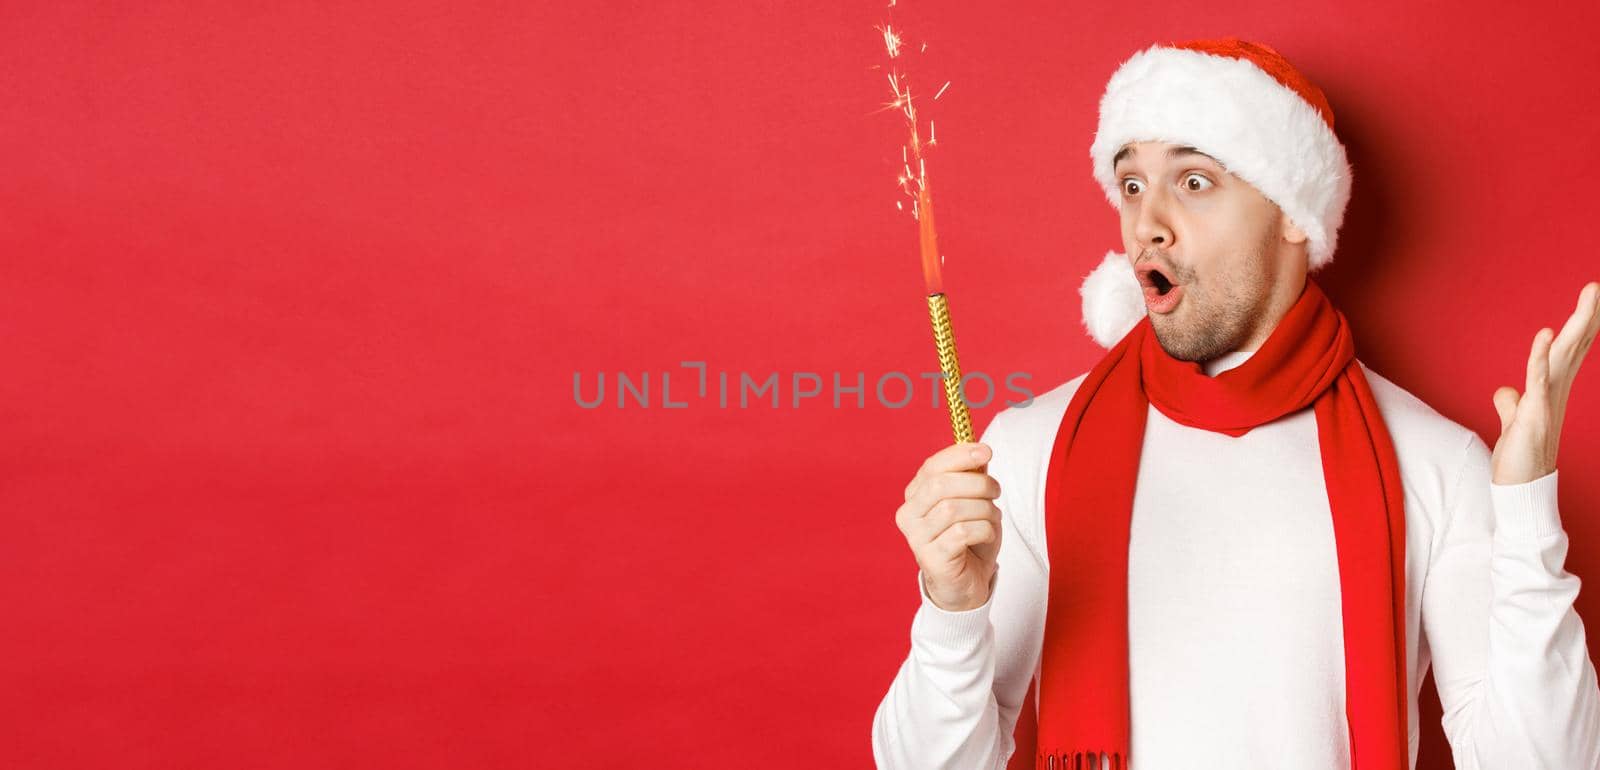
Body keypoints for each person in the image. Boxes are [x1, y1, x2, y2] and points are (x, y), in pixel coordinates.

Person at [871, 37, 1600, 770]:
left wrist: (1527, 513)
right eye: (1131, 185)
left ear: (1294, 213)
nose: (1146, 222)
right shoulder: (1029, 450)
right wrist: (953, 607)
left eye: (1192, 182)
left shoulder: (1436, 461)